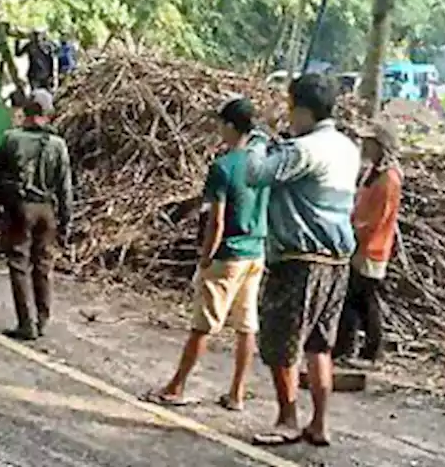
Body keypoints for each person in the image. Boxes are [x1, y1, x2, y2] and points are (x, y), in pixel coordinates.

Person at [244, 73, 360, 448]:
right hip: (337, 262)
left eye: (291, 107)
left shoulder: (304, 150)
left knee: (282, 343)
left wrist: (260, 138)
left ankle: (287, 418)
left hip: (300, 260)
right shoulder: (347, 147)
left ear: (304, 110)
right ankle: (319, 424)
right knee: (319, 346)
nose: (289, 114)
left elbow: (255, 173)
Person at [143, 97, 269, 411]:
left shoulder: (223, 167)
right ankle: (237, 393)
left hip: (227, 254)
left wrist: (205, 256)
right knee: (246, 325)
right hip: (256, 251)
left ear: (229, 126)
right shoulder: (263, 163)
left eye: (220, 123)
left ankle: (175, 387)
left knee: (204, 324)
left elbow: (217, 219)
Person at [0, 89, 73, 341]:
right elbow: (65, 186)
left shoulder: (11, 139)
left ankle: (26, 323)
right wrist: (66, 221)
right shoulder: (58, 145)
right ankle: (43, 319)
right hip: (47, 211)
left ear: (26, 111)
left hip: (20, 209)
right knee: (43, 265)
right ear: (48, 114)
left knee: (19, 264)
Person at [336, 120, 403, 365]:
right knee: (355, 300)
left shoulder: (389, 178)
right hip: (361, 244)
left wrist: (356, 231)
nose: (363, 146)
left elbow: (378, 219)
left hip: (371, 247)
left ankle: (371, 348)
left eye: (368, 142)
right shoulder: (373, 173)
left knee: (365, 300)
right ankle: (349, 347)